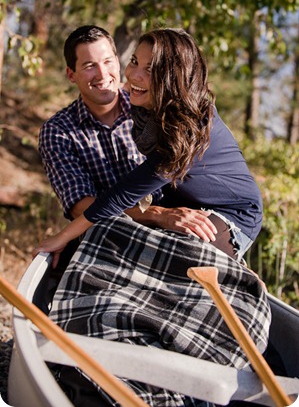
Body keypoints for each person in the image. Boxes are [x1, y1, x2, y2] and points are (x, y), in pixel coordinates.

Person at [33, 28, 263, 269]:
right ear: (71, 74)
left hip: (225, 212)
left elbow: (124, 193)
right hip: (143, 216)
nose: (105, 74)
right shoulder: (139, 106)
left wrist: (62, 236)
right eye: (134, 62)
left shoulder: (185, 124)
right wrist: (156, 215)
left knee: (180, 263)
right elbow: (82, 202)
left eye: (108, 62)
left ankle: (238, 272)